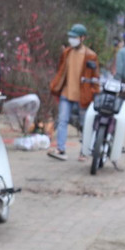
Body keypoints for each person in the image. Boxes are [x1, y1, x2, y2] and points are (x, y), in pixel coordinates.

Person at [48, 23, 99, 161]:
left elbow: (95, 77)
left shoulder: (90, 55)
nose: (72, 39)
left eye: (75, 37)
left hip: (83, 95)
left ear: (83, 38)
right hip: (66, 92)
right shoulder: (67, 53)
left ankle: (84, 151)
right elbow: (61, 71)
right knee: (62, 120)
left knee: (85, 124)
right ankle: (61, 149)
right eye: (71, 37)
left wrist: (95, 92)